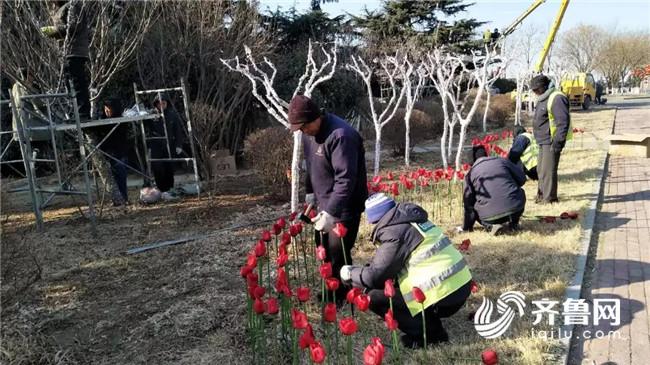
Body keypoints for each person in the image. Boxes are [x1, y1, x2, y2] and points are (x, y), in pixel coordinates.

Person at [340, 193, 472, 348]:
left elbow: (375, 277)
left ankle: (430, 334)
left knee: (374, 295)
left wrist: (350, 272)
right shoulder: (413, 221)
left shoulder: (394, 232)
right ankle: (428, 318)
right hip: (460, 285)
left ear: (375, 219)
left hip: (444, 293)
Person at [288, 95, 368, 302]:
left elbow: (346, 180)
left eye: (303, 127)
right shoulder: (308, 134)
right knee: (322, 248)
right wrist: (310, 194)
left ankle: (339, 295)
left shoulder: (341, 136)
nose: (302, 132)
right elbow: (312, 165)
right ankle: (335, 287)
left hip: (345, 205)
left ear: (315, 118)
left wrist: (332, 212)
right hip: (324, 203)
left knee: (337, 252)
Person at [42, 0, 91, 119]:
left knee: (77, 83)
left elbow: (73, 26)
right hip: (67, 51)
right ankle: (77, 113)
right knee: (71, 84)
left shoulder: (73, 5)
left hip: (75, 50)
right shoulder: (61, 7)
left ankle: (83, 114)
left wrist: (54, 30)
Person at [462, 145, 526, 234]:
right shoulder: (502, 161)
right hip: (516, 208)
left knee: (473, 204)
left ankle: (490, 226)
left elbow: (468, 205)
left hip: (490, 216)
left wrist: (467, 228)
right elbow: (522, 179)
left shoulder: (470, 174)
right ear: (486, 154)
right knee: (520, 192)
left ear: (471, 162)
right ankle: (514, 223)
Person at [530, 74, 571, 204]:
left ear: (544, 87)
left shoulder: (556, 98)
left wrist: (558, 143)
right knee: (541, 170)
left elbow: (563, 123)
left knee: (548, 171)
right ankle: (541, 195)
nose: (535, 92)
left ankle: (549, 199)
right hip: (542, 141)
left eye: (536, 90)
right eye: (533, 90)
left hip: (551, 141)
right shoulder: (543, 98)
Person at [149, 95, 186, 201]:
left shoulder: (172, 114)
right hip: (156, 145)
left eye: (164, 103)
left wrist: (179, 145)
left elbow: (178, 131)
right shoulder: (151, 115)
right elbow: (144, 125)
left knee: (169, 167)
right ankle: (161, 190)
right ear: (156, 104)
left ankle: (170, 189)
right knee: (158, 167)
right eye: (159, 103)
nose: (162, 105)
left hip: (169, 144)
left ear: (167, 104)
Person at [97, 98, 130, 205]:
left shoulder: (121, 121)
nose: (107, 111)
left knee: (120, 177)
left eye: (109, 109)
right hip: (107, 154)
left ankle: (123, 199)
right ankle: (117, 199)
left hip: (119, 154)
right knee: (111, 180)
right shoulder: (102, 120)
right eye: (105, 109)